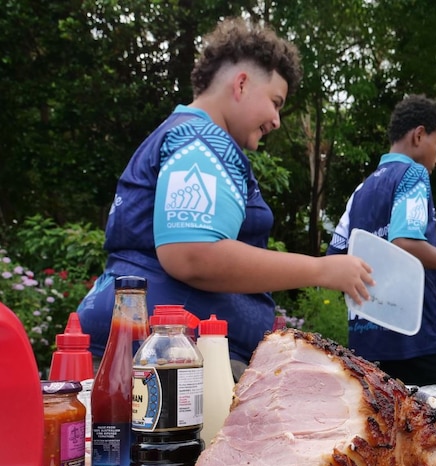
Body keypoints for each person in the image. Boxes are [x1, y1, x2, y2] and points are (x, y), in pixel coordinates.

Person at [77, 18, 372, 377]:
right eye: (275, 102)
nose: (277, 120)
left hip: (143, 355)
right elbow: (192, 254)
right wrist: (322, 270)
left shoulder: (179, 133)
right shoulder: (203, 141)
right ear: (242, 84)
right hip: (164, 371)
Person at [326, 94, 436, 386]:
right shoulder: (413, 174)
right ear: (419, 135)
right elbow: (404, 242)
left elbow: (333, 260)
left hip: (368, 347)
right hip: (421, 342)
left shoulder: (361, 191)